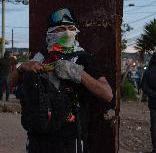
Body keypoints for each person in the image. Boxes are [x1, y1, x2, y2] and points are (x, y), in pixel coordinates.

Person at [11, 8, 113, 153]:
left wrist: (78, 73)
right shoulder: (40, 57)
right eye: (61, 28)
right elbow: (10, 82)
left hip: (69, 139)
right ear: (50, 33)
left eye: (71, 28)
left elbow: (107, 94)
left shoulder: (83, 57)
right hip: (38, 136)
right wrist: (22, 68)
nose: (66, 32)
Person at [142, 52, 156, 153]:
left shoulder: (148, 72)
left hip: (153, 103)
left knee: (154, 127)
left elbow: (144, 87)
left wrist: (153, 94)